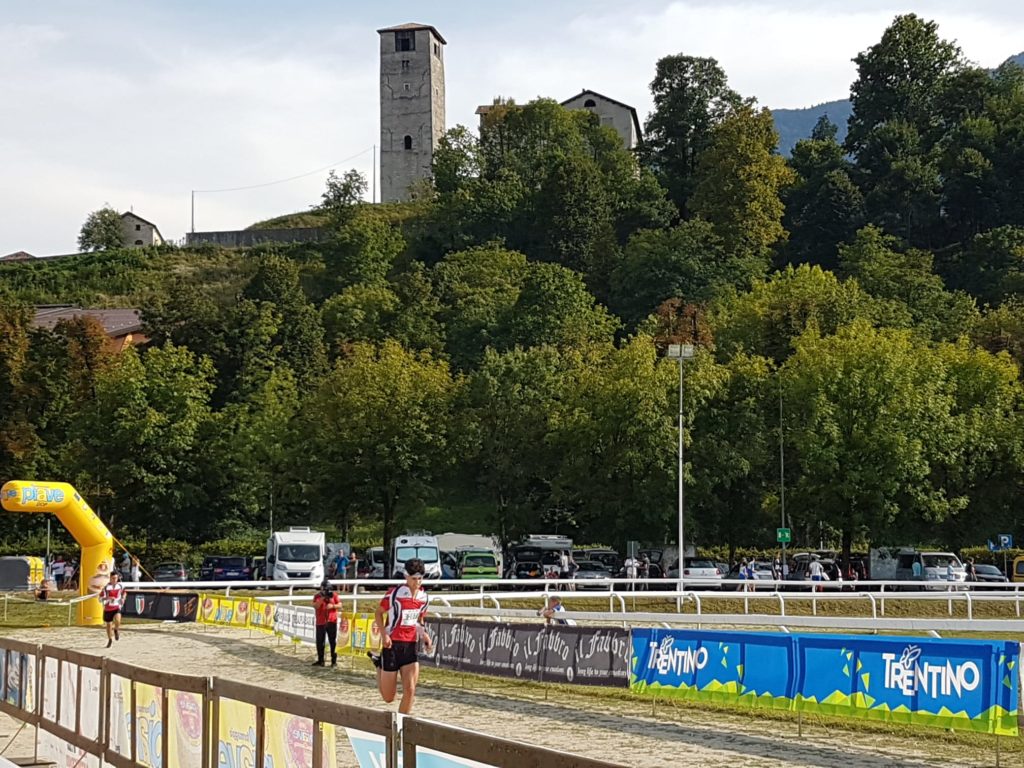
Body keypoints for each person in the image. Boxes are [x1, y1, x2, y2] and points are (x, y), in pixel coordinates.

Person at [368, 558, 432, 714]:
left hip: (410, 646)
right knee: (389, 697)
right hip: (392, 645)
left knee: (410, 690)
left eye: (420, 579)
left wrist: (425, 635)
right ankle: (379, 665)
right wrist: (384, 636)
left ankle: (401, 727)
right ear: (406, 577)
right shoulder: (395, 594)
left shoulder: (424, 598)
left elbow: (419, 619)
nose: (417, 582)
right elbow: (378, 614)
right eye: (414, 578)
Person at [312, 579, 341, 667]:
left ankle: (333, 661)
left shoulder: (334, 595)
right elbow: (315, 606)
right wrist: (322, 598)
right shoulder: (317, 596)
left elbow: (340, 605)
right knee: (320, 642)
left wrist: (333, 606)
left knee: (333, 642)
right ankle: (320, 660)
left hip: (332, 621)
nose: (326, 591)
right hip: (320, 621)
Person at [100, 572, 126, 648]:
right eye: (113, 578)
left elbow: (124, 593)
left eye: (116, 578)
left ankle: (116, 630)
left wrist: (123, 598)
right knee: (108, 625)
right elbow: (100, 598)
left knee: (118, 620)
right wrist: (108, 598)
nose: (115, 580)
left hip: (116, 607)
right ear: (110, 578)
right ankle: (110, 639)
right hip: (108, 608)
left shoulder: (120, 586)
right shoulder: (106, 587)